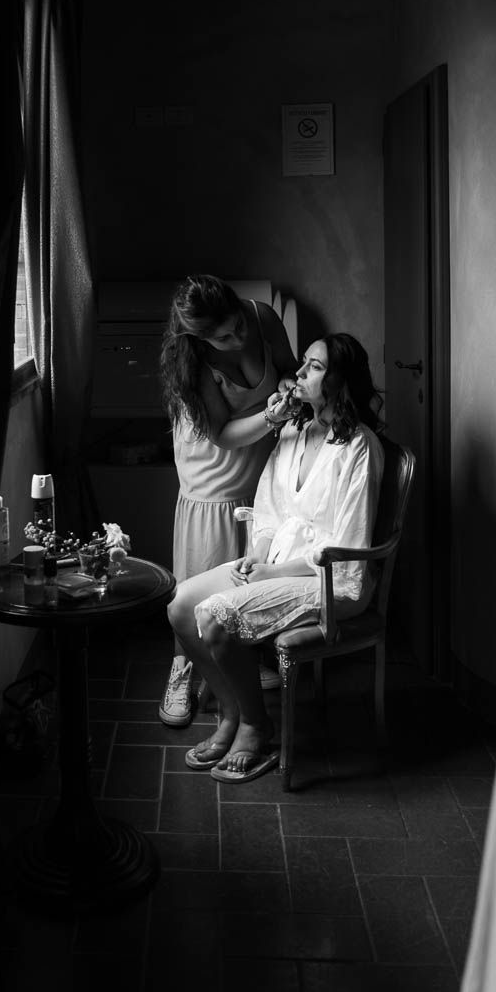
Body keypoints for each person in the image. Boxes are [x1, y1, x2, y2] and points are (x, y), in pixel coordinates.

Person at [167, 332, 385, 783]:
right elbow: (268, 509)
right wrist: (256, 556)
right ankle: (232, 713)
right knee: (181, 606)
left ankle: (255, 726)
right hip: (275, 565)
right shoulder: (292, 431)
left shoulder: (359, 448)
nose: (299, 372)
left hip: (330, 580)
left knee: (214, 617)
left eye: (315, 367)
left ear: (339, 381)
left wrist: (273, 571)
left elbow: (346, 547)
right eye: (303, 361)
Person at [158, 275, 298, 725]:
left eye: (238, 325)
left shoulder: (263, 317)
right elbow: (220, 433)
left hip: (261, 460)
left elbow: (288, 366)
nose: (238, 338)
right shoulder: (193, 357)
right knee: (200, 573)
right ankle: (182, 668)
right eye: (224, 338)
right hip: (214, 466)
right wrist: (272, 416)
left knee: (248, 567)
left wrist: (288, 387)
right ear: (200, 339)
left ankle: (238, 658)